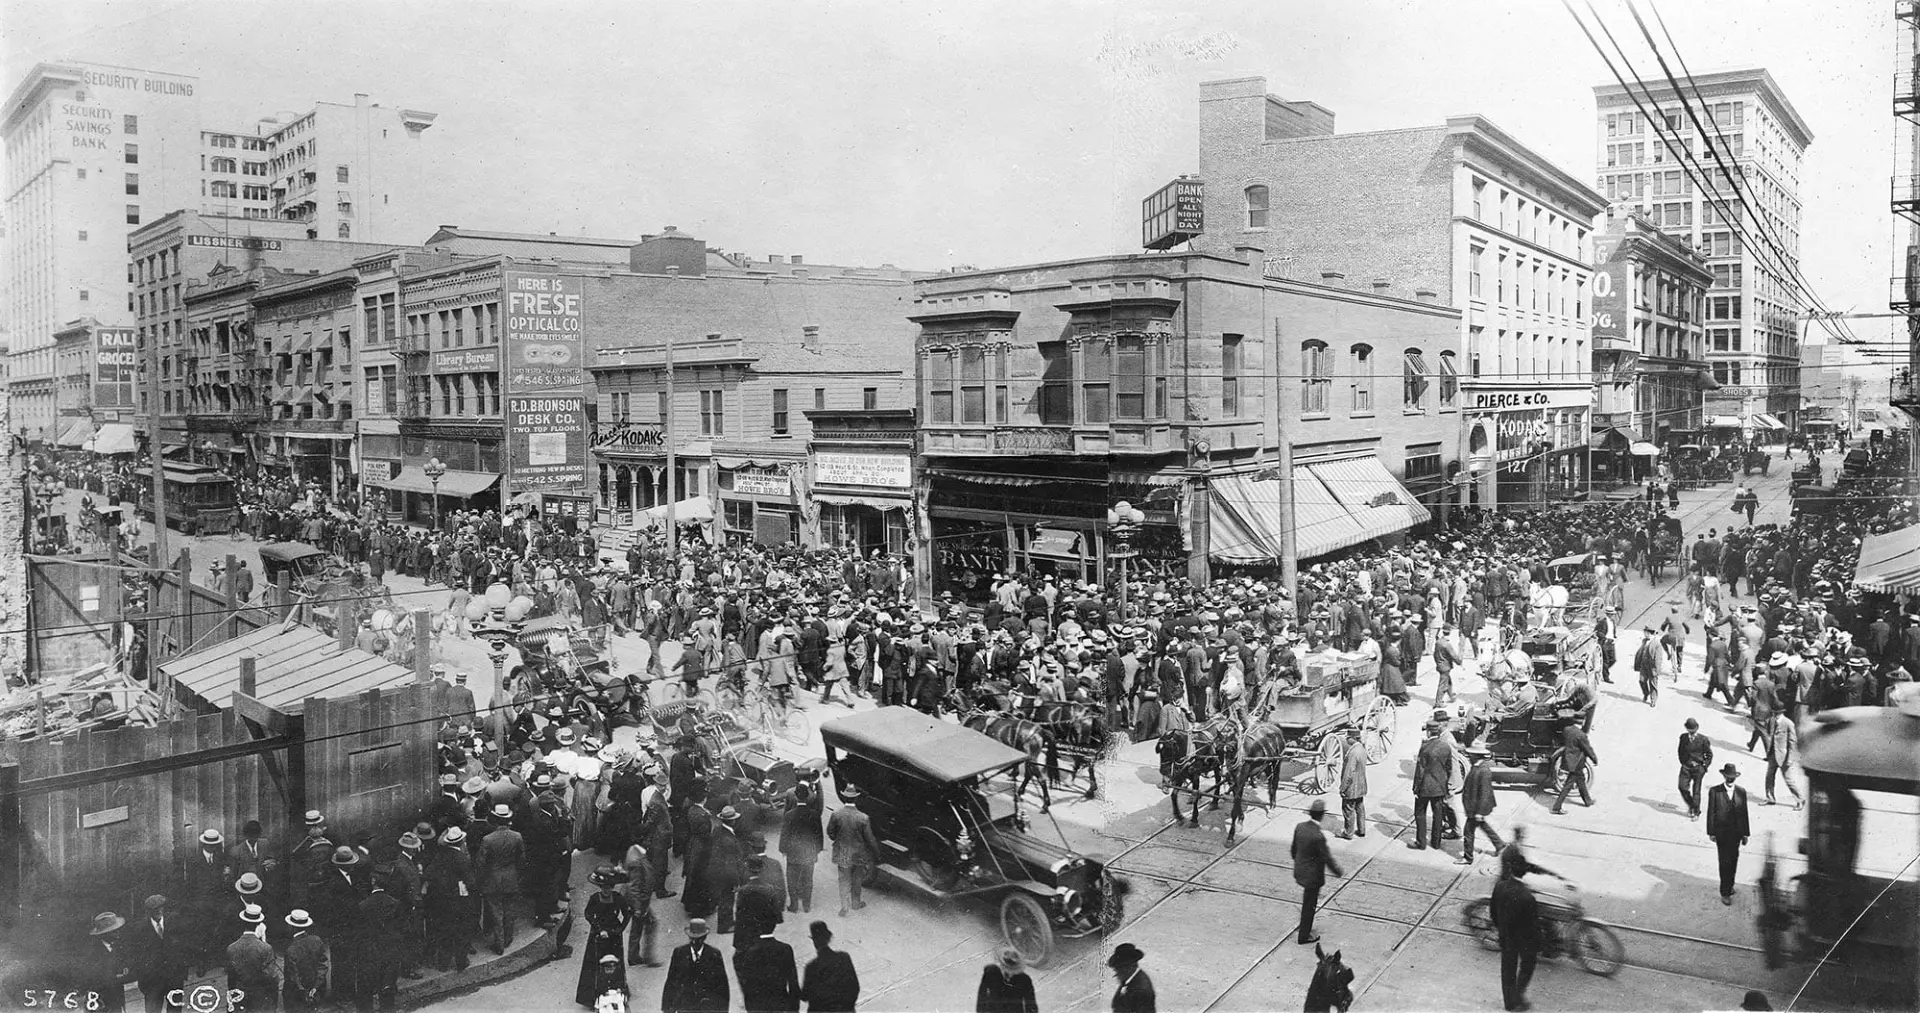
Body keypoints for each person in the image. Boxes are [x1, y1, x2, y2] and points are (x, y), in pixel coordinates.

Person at [1490, 849, 1541, 1012]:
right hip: (1524, 939)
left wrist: (1501, 929)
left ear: (1511, 869)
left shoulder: (1500, 886)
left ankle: (1509, 1004)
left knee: (1507, 969)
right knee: (1528, 964)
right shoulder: (1527, 896)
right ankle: (1518, 995)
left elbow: (1493, 912)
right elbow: (1532, 924)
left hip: (1506, 936)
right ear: (1524, 873)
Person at [578, 866, 635, 1007]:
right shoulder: (594, 899)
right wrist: (598, 929)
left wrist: (620, 929)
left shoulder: (618, 898)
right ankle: (593, 996)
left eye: (609, 888)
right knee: (595, 963)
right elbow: (588, 914)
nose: (606, 890)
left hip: (614, 936)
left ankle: (617, 993)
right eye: (603, 887)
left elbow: (627, 914)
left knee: (615, 963)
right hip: (598, 935)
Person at [1290, 798, 1343, 945]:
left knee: (1308, 901)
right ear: (1321, 816)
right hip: (1312, 877)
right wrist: (1338, 871)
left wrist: (1300, 863)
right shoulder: (1318, 836)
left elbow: (1294, 850)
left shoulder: (1300, 827)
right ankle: (1304, 936)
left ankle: (1305, 930)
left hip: (1300, 871)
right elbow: (1327, 858)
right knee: (1309, 905)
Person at [476, 803, 525, 954]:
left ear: (495, 819)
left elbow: (481, 863)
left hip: (493, 880)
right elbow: (522, 859)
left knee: (496, 913)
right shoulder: (517, 836)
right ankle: (508, 938)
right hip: (511, 878)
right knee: (509, 911)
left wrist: (481, 880)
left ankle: (499, 943)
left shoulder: (487, 839)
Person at [826, 783, 880, 917]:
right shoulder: (863, 818)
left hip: (843, 851)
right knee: (857, 878)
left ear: (844, 798)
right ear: (855, 799)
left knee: (844, 879)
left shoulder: (836, 814)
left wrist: (837, 840)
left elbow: (830, 832)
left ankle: (844, 906)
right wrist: (876, 853)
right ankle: (856, 903)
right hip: (859, 853)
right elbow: (870, 839)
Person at [130, 895, 189, 1013]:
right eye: (154, 909)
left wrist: (182, 971)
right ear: (147, 912)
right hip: (152, 982)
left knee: (175, 1009)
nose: (158, 911)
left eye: (160, 908)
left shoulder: (175, 921)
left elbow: (184, 946)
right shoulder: (139, 930)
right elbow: (137, 958)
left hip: (174, 978)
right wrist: (144, 982)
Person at [661, 918, 731, 1013]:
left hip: (706, 1006)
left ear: (704, 938)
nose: (694, 942)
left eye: (698, 939)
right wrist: (667, 1008)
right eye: (692, 938)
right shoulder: (679, 953)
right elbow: (671, 981)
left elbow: (722, 986)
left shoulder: (714, 954)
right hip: (684, 1005)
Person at [1706, 763, 1752, 906]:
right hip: (1722, 834)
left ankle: (1730, 885)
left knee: (1734, 860)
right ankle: (1725, 892)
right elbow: (1711, 812)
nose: (1730, 779)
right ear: (1724, 776)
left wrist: (1745, 834)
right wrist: (1711, 832)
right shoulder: (1715, 791)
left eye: (1732, 777)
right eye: (1728, 777)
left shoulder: (1741, 792)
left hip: (1736, 834)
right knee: (1724, 862)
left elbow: (1744, 813)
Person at [734, 922, 802, 1013]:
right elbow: (793, 982)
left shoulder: (747, 952)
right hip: (780, 1003)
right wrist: (794, 1008)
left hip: (757, 1005)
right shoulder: (785, 948)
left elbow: (746, 983)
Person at [780, 779, 825, 914]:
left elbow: (785, 834)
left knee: (791, 879)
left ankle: (794, 905)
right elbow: (819, 835)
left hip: (793, 852)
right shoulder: (814, 815)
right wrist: (817, 850)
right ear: (808, 796)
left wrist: (783, 849)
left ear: (796, 795)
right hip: (809, 852)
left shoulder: (789, 815)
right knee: (808, 879)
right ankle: (807, 905)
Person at [800, 921, 861, 1013]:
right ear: (828, 938)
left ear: (814, 942)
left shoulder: (811, 967)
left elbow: (805, 996)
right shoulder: (844, 958)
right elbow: (855, 987)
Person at [1459, 744, 1504, 865]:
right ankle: (1499, 844)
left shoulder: (1483, 771)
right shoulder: (1477, 766)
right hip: (1474, 807)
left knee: (1468, 832)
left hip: (1476, 808)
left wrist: (1479, 811)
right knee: (1483, 826)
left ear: (1477, 756)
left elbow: (1485, 793)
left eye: (1471, 755)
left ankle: (1468, 857)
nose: (1469, 756)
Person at [1410, 722, 1451, 850]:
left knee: (1420, 813)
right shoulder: (1446, 747)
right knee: (1438, 815)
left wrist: (1416, 788)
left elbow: (1420, 770)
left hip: (1425, 788)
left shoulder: (1425, 748)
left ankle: (1421, 842)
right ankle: (1436, 842)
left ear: (1428, 732)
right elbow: (1449, 768)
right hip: (1440, 788)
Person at [282, 910, 330, 1012]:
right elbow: (323, 965)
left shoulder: (291, 949)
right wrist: (315, 987)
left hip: (296, 996)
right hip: (315, 990)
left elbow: (292, 976)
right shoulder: (317, 940)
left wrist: (303, 992)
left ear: (292, 927)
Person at [84, 911, 132, 1013]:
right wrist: (117, 977)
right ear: (104, 934)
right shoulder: (93, 953)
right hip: (101, 1000)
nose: (118, 933)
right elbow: (95, 980)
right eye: (114, 931)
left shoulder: (117, 947)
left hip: (117, 997)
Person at [1548, 721, 1598, 815]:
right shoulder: (1580, 735)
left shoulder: (1567, 730)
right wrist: (1594, 759)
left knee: (1581, 781)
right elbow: (1588, 749)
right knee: (1568, 785)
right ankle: (1556, 807)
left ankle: (1588, 801)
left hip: (1570, 760)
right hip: (1577, 762)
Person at [974, 946, 1038, 1013]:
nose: (1009, 972)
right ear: (1001, 964)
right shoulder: (990, 972)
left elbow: (1031, 1004)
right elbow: (982, 994)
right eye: (1006, 968)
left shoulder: (1025, 980)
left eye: (1012, 970)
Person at [1763, 710, 1804, 809]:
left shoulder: (1788, 723)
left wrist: (1790, 758)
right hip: (1773, 755)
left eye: (1776, 714)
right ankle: (1770, 798)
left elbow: (1792, 742)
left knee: (1788, 779)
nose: (1775, 716)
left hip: (1784, 757)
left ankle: (1800, 800)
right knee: (1769, 777)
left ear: (1781, 713)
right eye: (1773, 713)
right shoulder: (1771, 721)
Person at [1677, 717, 1714, 821]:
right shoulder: (1683, 737)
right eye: (1690, 730)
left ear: (1697, 728)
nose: (1692, 732)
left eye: (1693, 730)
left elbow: (1709, 754)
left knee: (1696, 791)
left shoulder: (1703, 739)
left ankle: (1696, 812)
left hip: (1698, 768)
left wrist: (1704, 767)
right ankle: (1692, 805)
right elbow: (1680, 751)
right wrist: (1684, 762)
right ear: (1686, 728)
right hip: (1686, 767)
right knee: (1682, 787)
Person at [1337, 726, 1368, 840]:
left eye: (1348, 737)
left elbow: (1348, 772)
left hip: (1351, 787)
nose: (1346, 739)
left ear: (1353, 738)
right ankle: (1362, 830)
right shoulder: (1362, 749)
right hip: (1361, 786)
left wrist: (1342, 788)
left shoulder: (1353, 752)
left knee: (1348, 810)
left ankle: (1348, 833)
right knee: (1360, 808)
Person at [1107, 942, 1155, 1013]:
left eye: (1118, 969)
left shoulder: (1142, 989)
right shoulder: (1129, 979)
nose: (1116, 974)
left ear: (1128, 968)